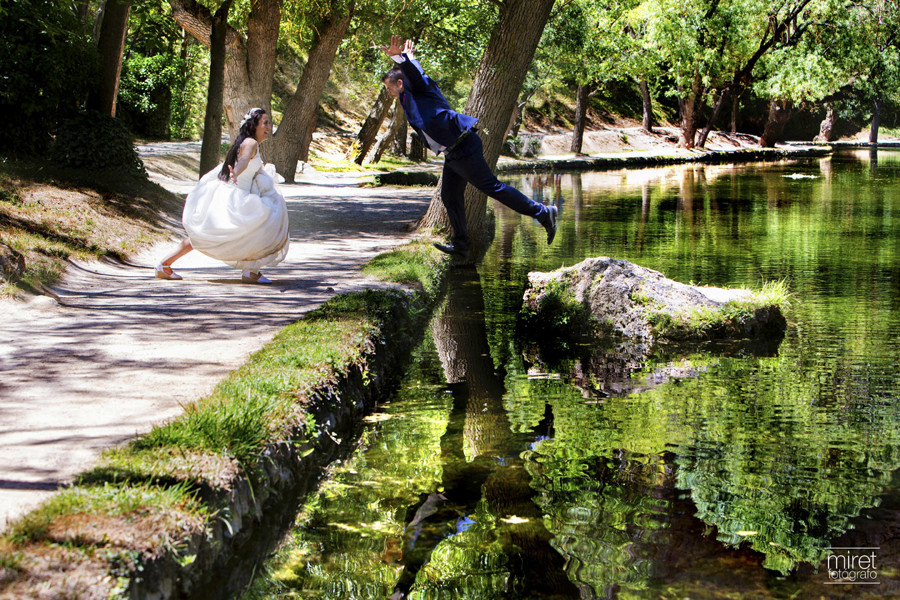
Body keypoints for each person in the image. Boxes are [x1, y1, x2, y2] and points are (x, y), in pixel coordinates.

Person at [380, 35, 557, 257]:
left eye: (389, 88)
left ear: (400, 83)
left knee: (492, 187)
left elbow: (415, 75)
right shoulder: (408, 96)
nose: (389, 93)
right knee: (450, 195)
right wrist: (409, 58)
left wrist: (400, 58)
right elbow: (415, 71)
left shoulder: (420, 88)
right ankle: (461, 243)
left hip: (462, 146)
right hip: (452, 152)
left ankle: (543, 212)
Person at [155, 107, 289, 284]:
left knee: (248, 232)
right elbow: (243, 161)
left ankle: (251, 271)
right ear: (253, 124)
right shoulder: (250, 143)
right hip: (236, 196)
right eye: (265, 123)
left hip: (237, 192)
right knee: (211, 235)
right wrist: (237, 173)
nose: (269, 127)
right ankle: (164, 265)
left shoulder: (247, 141)